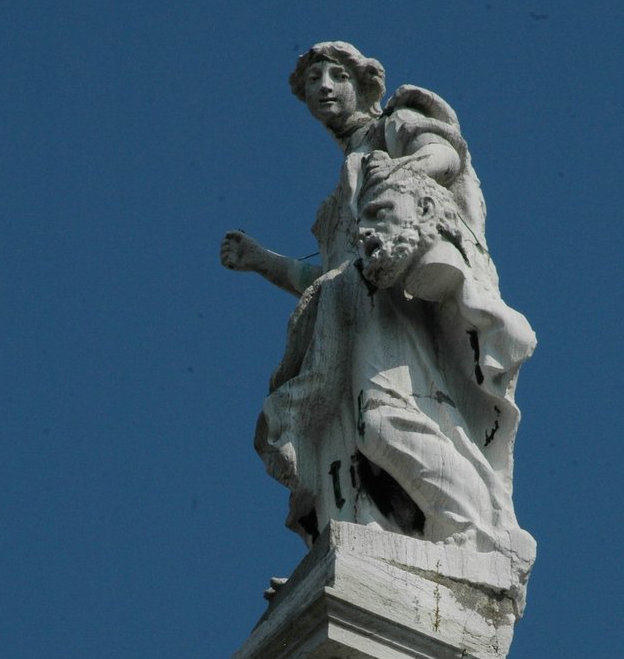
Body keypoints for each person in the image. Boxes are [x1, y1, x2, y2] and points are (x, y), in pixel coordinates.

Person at [220, 42, 535, 579]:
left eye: (335, 75)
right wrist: (262, 261)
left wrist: (401, 173)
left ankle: (476, 531)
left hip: (388, 294)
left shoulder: (395, 124)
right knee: (343, 441)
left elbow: (445, 155)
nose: (322, 87)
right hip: (344, 298)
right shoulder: (346, 181)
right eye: (312, 80)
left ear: (364, 83)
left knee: (385, 419)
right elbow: (316, 273)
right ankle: (364, 532)